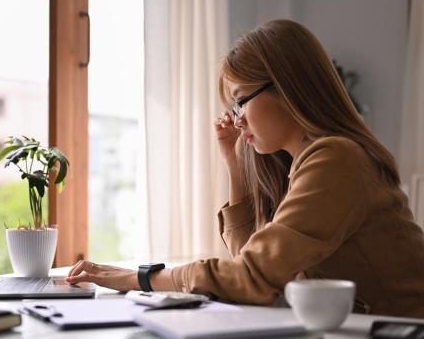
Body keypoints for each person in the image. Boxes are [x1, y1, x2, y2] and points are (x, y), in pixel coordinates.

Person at [66, 19, 424, 317]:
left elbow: (250, 278)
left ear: (286, 87)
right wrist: (234, 165)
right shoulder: (309, 161)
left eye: (240, 102)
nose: (237, 120)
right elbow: (252, 263)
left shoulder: (336, 159)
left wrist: (139, 279)